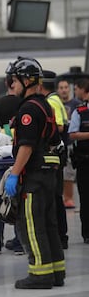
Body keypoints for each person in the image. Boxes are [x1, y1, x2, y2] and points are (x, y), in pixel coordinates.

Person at [4, 56, 65, 289]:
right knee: (49, 225)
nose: (12, 86)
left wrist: (13, 174)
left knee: (31, 225)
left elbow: (26, 146)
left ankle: (40, 274)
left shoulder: (29, 109)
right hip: (48, 175)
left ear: (27, 81)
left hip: (34, 177)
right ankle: (57, 272)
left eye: (14, 81)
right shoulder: (45, 105)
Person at [0, 76, 24, 255]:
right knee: (18, 198)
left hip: (1, 158)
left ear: (5, 84)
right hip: (19, 157)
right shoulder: (25, 104)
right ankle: (19, 242)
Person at [40, 70, 69, 250]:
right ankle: (61, 235)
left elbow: (58, 126)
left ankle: (60, 236)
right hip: (59, 153)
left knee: (55, 197)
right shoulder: (55, 99)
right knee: (56, 196)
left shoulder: (51, 101)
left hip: (55, 154)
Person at [68, 77, 89, 244]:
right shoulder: (79, 112)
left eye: (76, 89)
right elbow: (72, 134)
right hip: (84, 162)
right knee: (85, 198)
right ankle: (87, 233)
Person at [57, 78, 80, 209]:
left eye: (66, 87)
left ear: (69, 89)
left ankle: (69, 198)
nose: (64, 90)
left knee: (69, 172)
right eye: (61, 87)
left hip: (71, 141)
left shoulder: (76, 104)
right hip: (60, 142)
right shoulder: (56, 103)